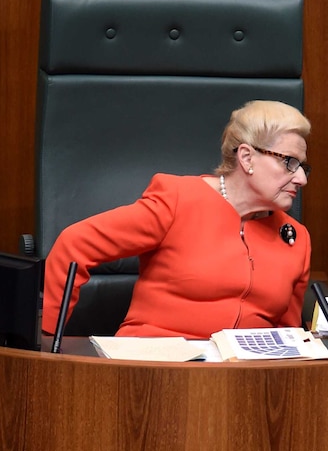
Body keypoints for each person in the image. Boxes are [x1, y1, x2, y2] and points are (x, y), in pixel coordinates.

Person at [41, 100, 312, 339]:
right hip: (152, 370)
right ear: (246, 157)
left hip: (237, 379)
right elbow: (75, 245)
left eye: (302, 166)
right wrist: (46, 341)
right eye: (289, 162)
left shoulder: (295, 238)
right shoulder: (177, 201)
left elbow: (287, 337)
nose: (301, 178)